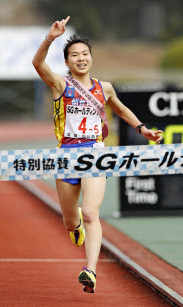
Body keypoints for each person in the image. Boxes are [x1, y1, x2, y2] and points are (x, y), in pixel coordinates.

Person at [32, 16, 163, 294]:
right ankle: (75, 224)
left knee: (92, 213)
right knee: (71, 220)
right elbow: (37, 64)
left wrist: (143, 129)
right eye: (75, 56)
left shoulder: (105, 88)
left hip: (94, 154)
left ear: (91, 58)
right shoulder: (60, 85)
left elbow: (121, 109)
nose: (81, 58)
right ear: (67, 62)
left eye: (85, 54)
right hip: (66, 156)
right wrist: (50, 38)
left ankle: (89, 270)